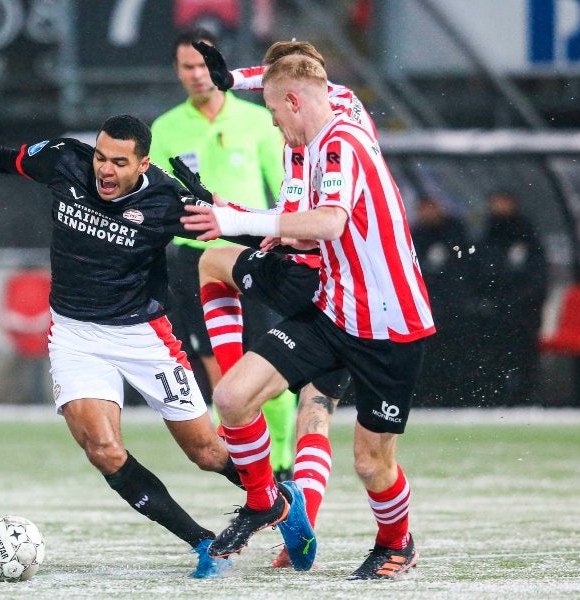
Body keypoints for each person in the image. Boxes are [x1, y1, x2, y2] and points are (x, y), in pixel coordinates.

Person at [0, 114, 311, 578]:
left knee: (205, 453)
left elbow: (247, 233)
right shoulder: (64, 161)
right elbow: (1, 160)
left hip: (142, 335)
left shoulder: (165, 200)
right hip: (75, 335)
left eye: (119, 162)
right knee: (103, 449)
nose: (104, 169)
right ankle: (203, 543)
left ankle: (282, 499)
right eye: (101, 156)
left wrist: (268, 229)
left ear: (142, 164)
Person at [180, 54, 435, 580]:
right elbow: (296, 72)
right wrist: (236, 80)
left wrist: (235, 218)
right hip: (332, 310)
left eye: (275, 114)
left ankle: (397, 543)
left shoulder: (340, 144)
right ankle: (265, 500)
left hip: (391, 329)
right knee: (230, 397)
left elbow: (332, 222)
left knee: (371, 464)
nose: (273, 124)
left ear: (294, 104)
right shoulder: (329, 105)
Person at [149, 29, 298, 483]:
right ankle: (251, 467)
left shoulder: (257, 122)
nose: (196, 75)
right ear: (177, 72)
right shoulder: (166, 129)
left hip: (252, 253)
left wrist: (290, 240)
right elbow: (153, 200)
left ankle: (283, 463)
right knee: (218, 367)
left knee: (271, 358)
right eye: (187, 67)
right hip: (193, 259)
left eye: (202, 65)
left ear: (218, 67)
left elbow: (286, 189)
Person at [475, 191, 547, 405]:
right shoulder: (487, 235)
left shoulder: (526, 235)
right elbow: (477, 271)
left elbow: (538, 275)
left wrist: (522, 301)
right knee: (493, 357)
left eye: (502, 202)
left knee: (524, 356)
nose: (498, 207)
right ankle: (493, 398)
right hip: (493, 312)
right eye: (494, 202)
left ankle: (526, 398)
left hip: (523, 313)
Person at [410, 195, 472, 406]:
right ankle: (426, 396)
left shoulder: (455, 233)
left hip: (453, 307)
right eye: (423, 209)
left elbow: (466, 262)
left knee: (453, 352)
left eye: (431, 207)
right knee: (427, 355)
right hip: (425, 307)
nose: (427, 213)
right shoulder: (415, 235)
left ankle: (454, 396)